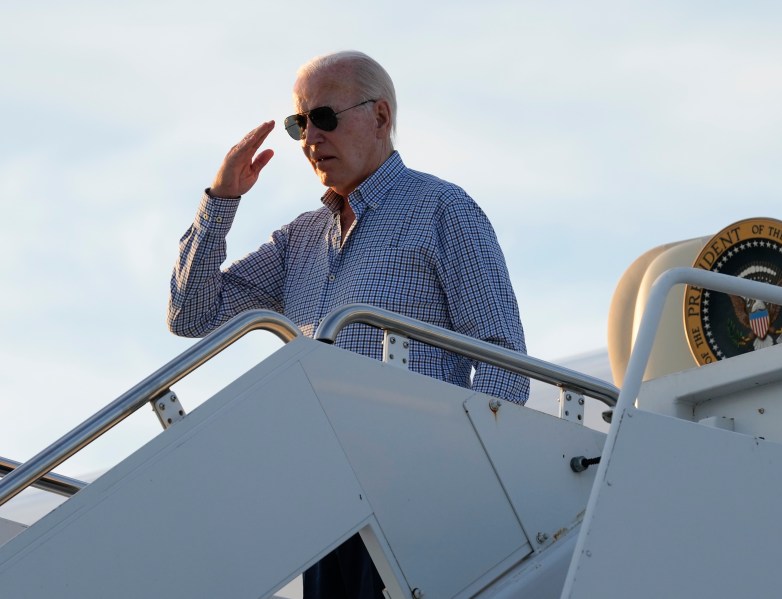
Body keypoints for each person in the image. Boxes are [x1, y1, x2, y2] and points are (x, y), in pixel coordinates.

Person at [167, 50, 529, 598]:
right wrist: (220, 201)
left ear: (380, 117)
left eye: (326, 118)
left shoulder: (443, 210)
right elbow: (190, 315)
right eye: (299, 122)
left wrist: (459, 479)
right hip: (327, 503)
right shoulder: (300, 240)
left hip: (420, 494)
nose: (310, 137)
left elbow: (504, 362)